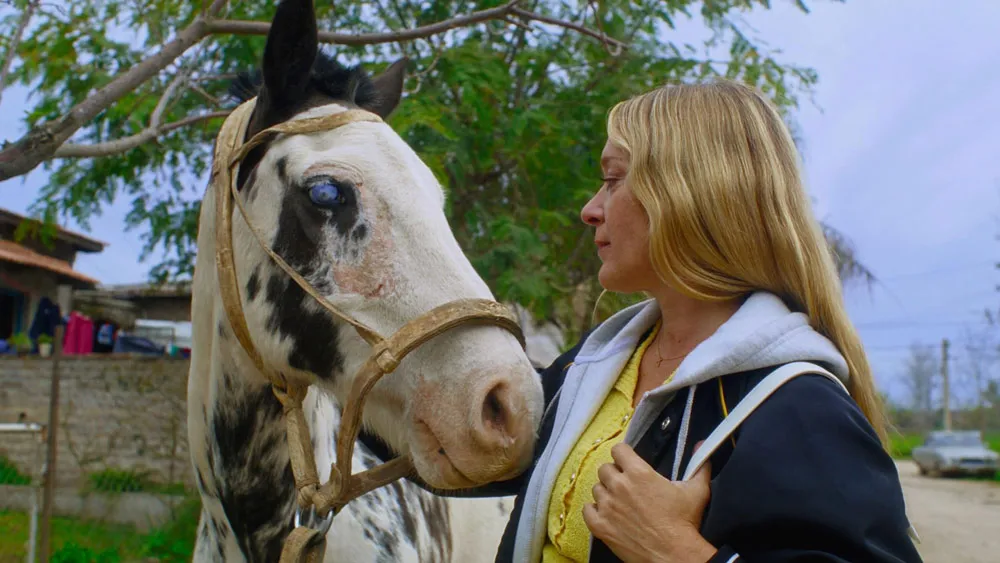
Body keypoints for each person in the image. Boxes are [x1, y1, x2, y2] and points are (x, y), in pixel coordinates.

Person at [362, 78, 923, 563]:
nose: (590, 209)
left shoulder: (797, 407)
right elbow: (471, 444)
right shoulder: (596, 365)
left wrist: (680, 552)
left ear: (692, 194)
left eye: (613, 179)